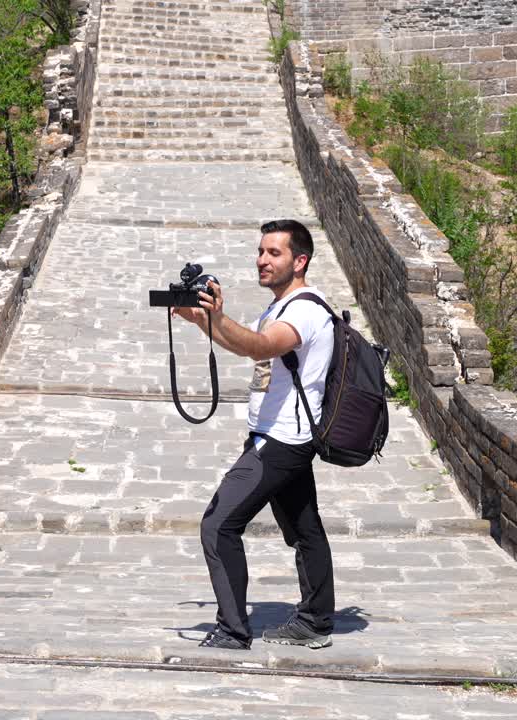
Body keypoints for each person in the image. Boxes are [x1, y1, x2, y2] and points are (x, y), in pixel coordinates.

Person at [171, 219, 336, 651]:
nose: (262, 260)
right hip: (284, 436)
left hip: (281, 441)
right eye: (261, 251)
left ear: (300, 261)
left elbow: (261, 347)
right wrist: (202, 321)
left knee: (219, 525)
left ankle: (232, 630)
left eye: (274, 253)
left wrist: (218, 317)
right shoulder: (281, 306)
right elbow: (252, 342)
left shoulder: (303, 309)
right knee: (306, 530)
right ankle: (316, 621)